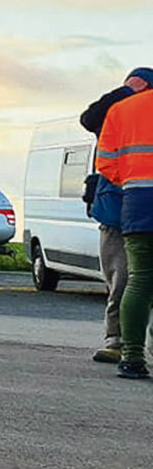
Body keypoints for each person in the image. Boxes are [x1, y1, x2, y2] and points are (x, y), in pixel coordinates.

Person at [80, 73, 148, 363]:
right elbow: (89, 118)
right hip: (118, 210)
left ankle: (127, 347)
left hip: (130, 203)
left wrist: (128, 183)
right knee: (122, 279)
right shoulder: (118, 112)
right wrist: (123, 91)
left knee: (136, 280)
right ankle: (117, 341)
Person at [94, 66, 153, 380]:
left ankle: (131, 357)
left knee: (139, 281)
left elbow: (104, 162)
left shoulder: (121, 110)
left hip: (137, 201)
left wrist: (130, 181)